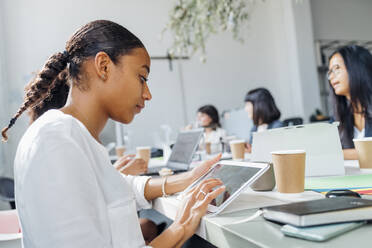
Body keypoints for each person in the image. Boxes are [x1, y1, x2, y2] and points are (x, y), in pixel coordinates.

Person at [1, 20, 225, 248]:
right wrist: (181, 227)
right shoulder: (55, 139)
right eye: (142, 78)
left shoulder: (71, 135)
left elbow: (116, 187)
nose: (147, 94)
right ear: (104, 66)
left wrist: (187, 179)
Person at [327, 45, 372, 160]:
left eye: (337, 68)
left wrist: (338, 155)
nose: (331, 76)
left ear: (357, 68)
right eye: (330, 72)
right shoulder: (339, 118)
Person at [244, 88, 283, 152]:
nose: (245, 109)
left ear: (259, 105)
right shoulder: (254, 128)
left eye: (247, 105)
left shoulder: (277, 127)